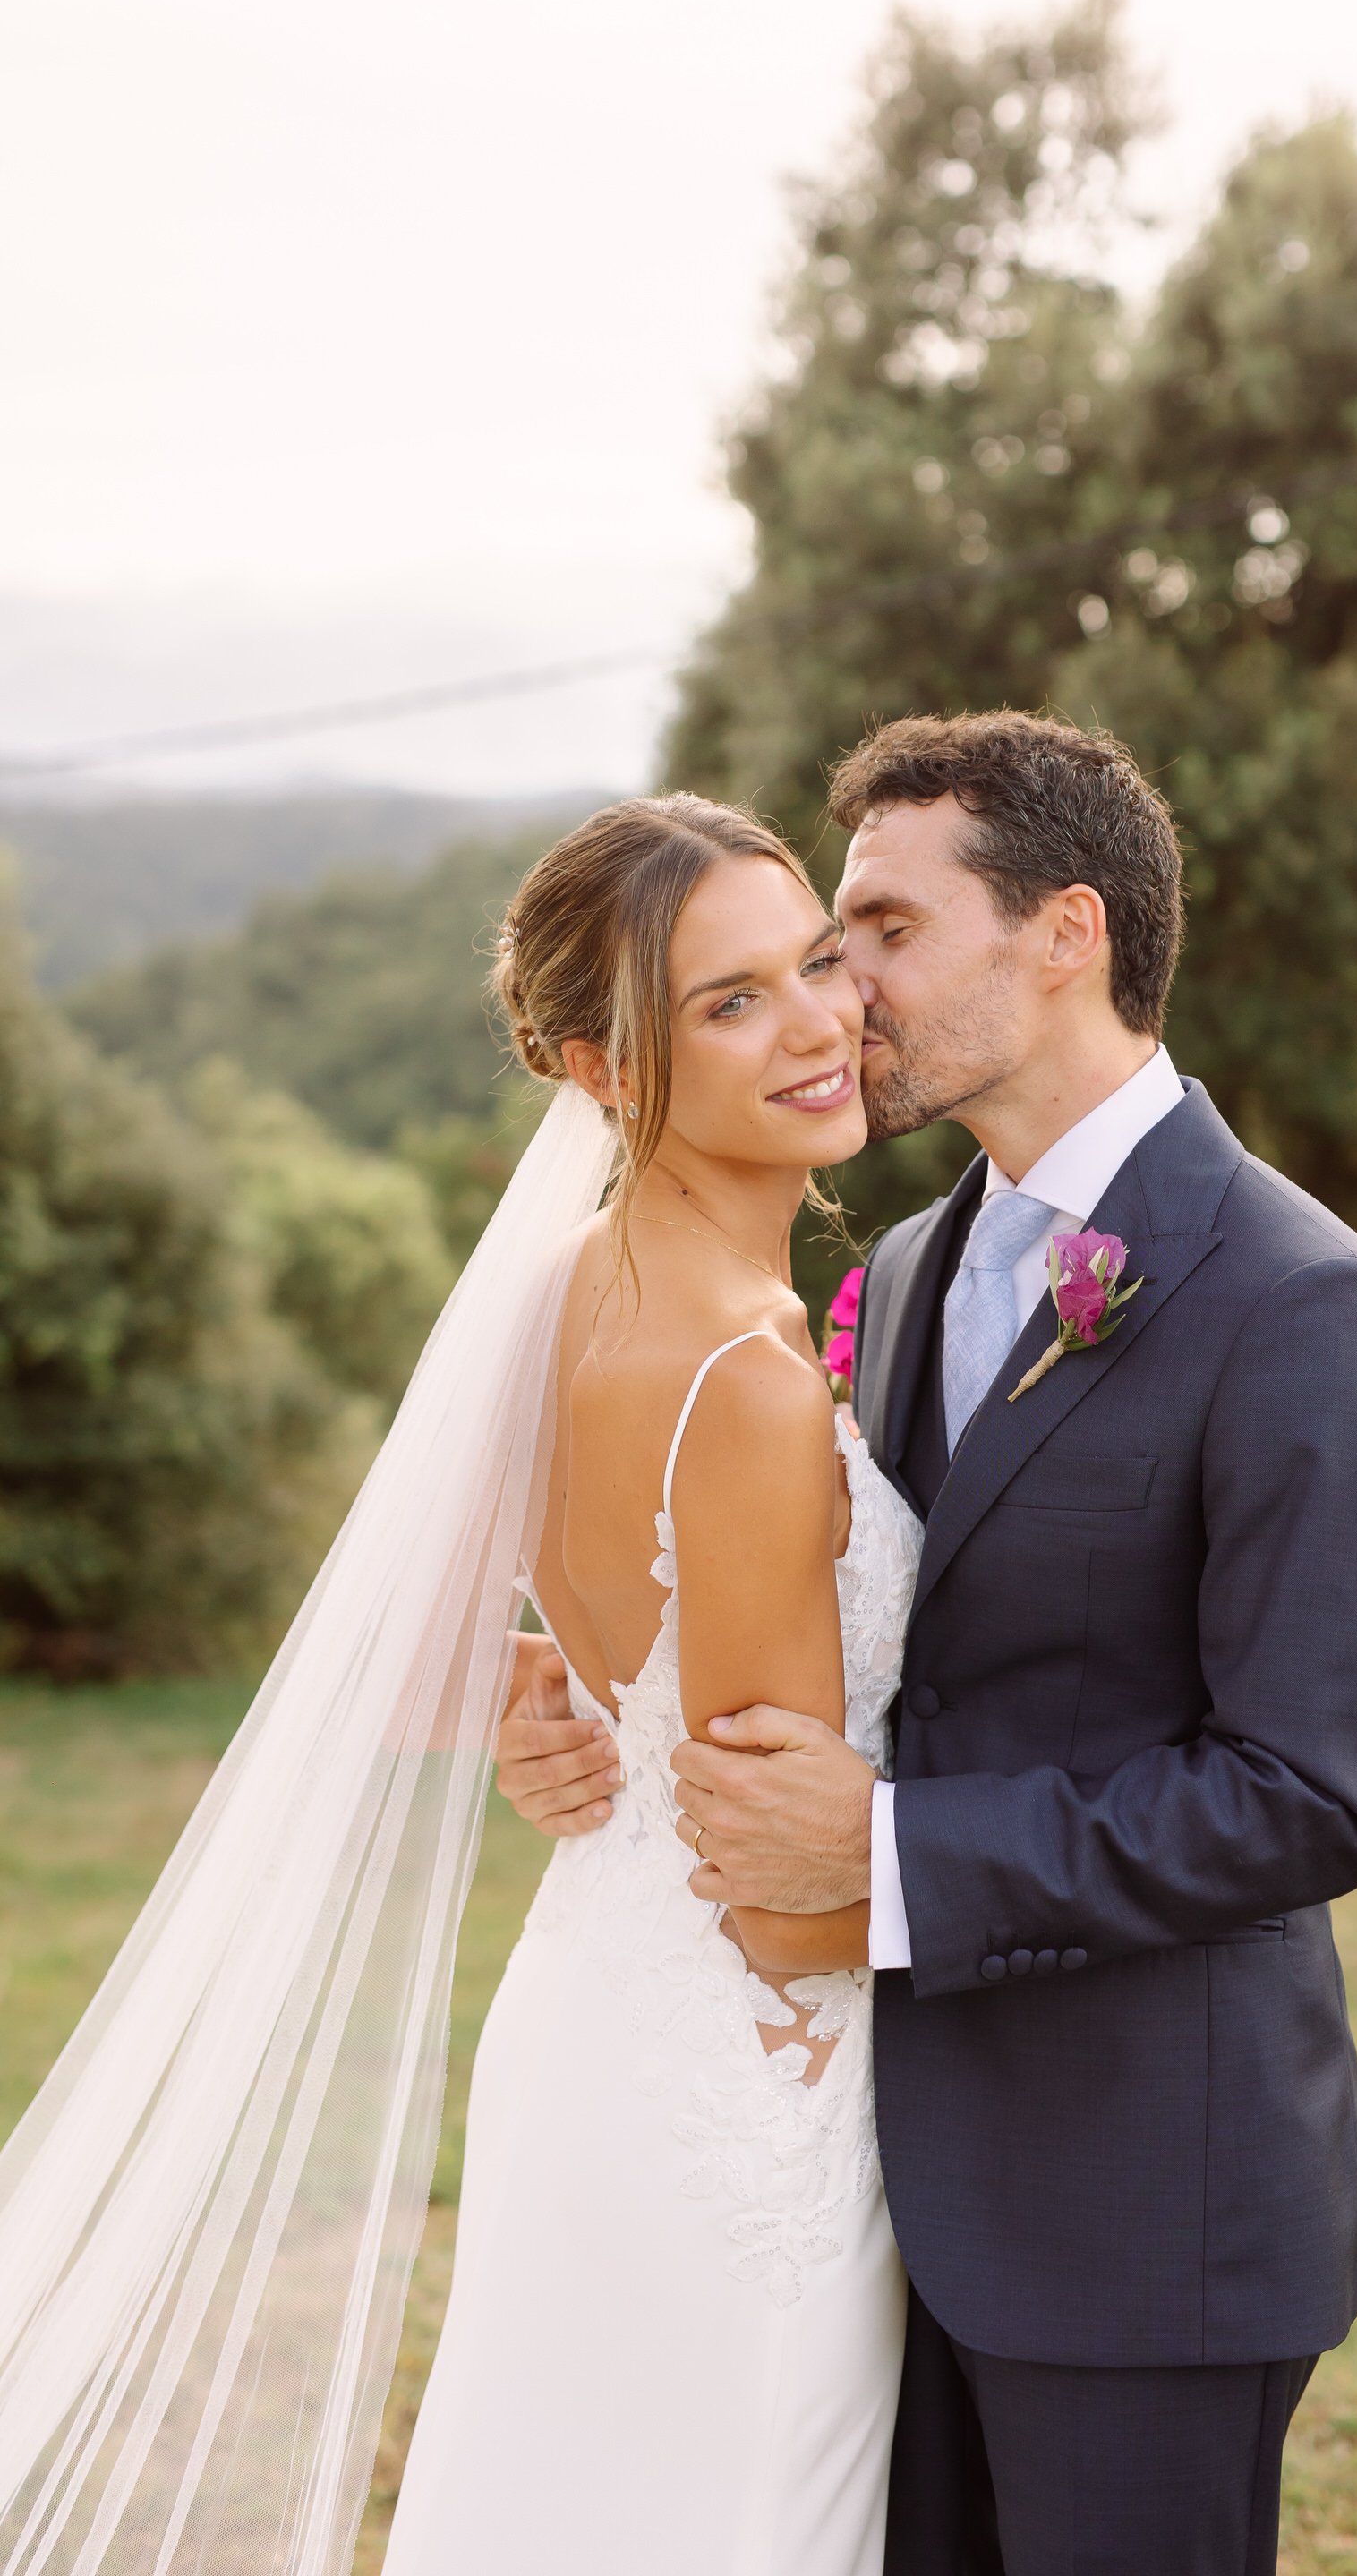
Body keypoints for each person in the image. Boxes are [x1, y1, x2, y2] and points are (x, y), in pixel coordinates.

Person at [499, 711, 1357, 2576]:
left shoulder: (1308, 1308)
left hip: (1136, 2209)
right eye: (817, 949)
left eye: (880, 932)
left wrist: (884, 1858)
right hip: (872, 2184)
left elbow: (1308, 1795)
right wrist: (578, 1707)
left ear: (1066, 933)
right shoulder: (901, 1270)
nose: (841, 994)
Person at [381, 797, 921, 2574]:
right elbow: (782, 1900)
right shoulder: (748, 1381)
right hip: (756, 2090)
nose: (819, 1024)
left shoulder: (554, 1294)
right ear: (598, 1068)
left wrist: (546, 1689)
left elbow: (404, 1657)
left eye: (817, 962)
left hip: (588, 2027)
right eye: (731, 1003)